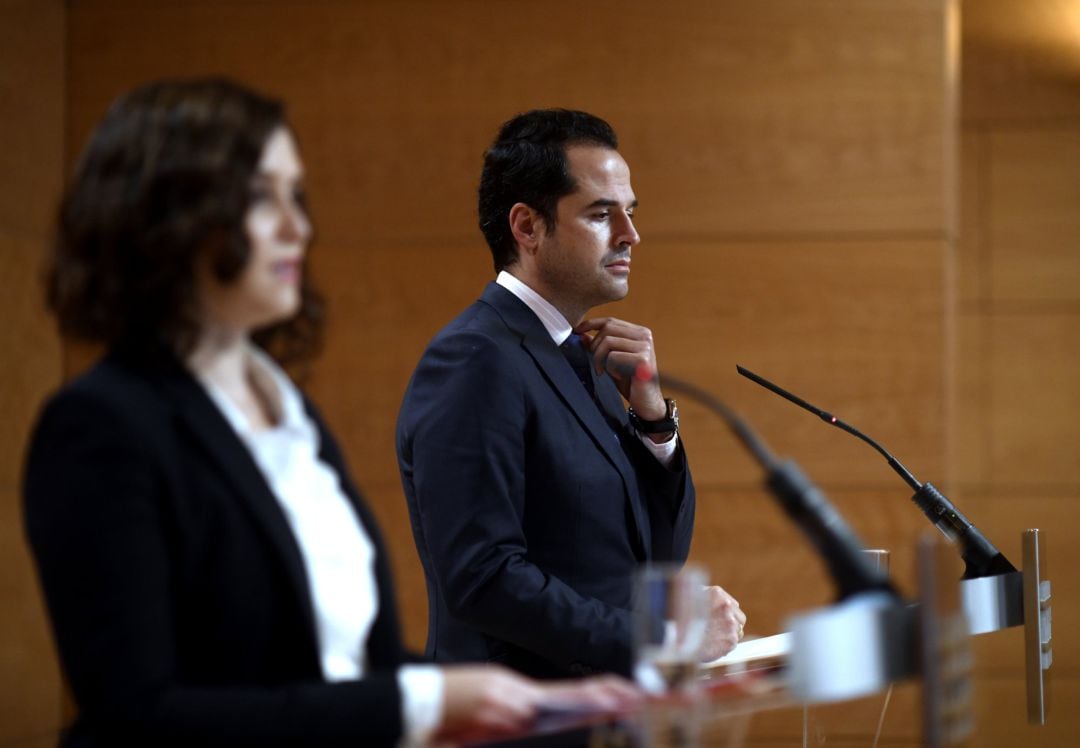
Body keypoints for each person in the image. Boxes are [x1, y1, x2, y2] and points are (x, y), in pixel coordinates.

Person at [23, 80, 635, 748]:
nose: (299, 227)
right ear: (161, 219)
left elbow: (344, 664)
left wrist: (515, 700)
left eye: (297, 196)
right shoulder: (99, 427)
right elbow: (137, 715)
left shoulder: (289, 412)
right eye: (261, 198)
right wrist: (425, 701)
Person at [396, 109, 747, 681]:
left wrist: (654, 422)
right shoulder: (474, 359)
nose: (631, 234)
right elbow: (484, 579)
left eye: (630, 213)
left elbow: (654, 559)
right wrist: (663, 638)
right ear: (527, 228)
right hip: (520, 722)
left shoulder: (582, 356)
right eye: (601, 215)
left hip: (606, 715)